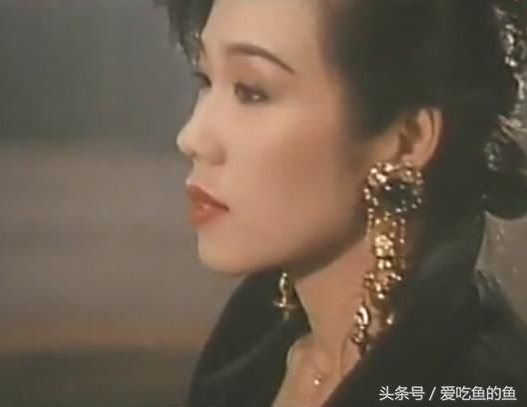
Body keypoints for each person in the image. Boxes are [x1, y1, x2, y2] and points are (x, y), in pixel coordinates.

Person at [161, 0, 527, 405]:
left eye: (251, 91)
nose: (192, 137)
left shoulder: (474, 384)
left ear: (406, 142)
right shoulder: (249, 343)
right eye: (205, 78)